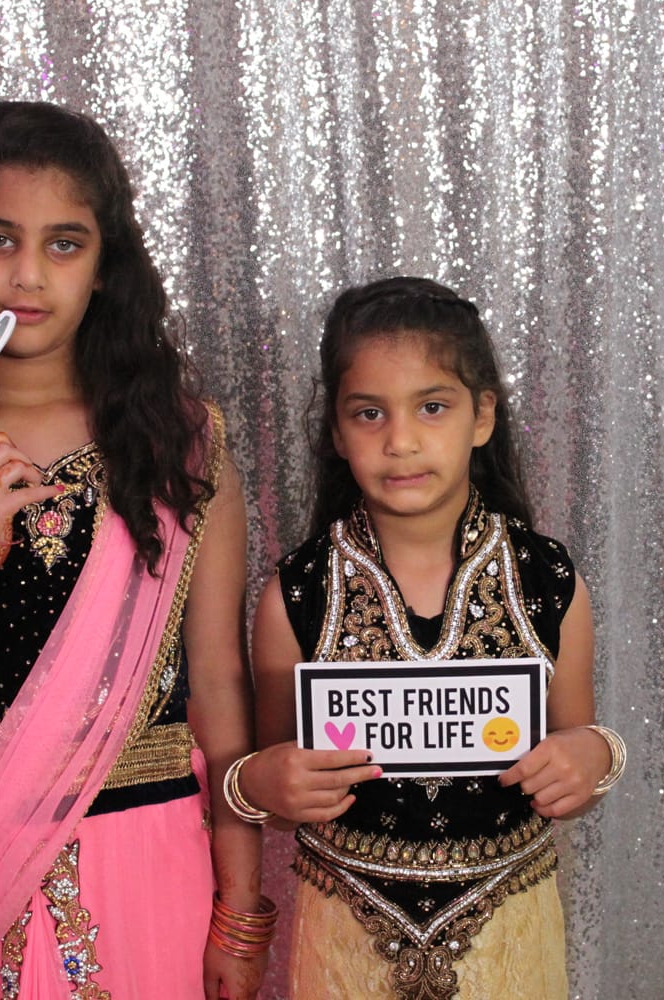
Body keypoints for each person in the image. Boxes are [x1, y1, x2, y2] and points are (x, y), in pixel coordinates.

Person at [0, 102, 269, 999]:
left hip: (150, 857)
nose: (28, 274)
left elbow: (220, 690)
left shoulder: (182, 444)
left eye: (64, 244)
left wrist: (241, 908)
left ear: (105, 267)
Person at [232, 276, 628, 998]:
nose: (401, 441)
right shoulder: (296, 594)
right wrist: (261, 782)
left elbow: (576, 758)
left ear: (483, 416)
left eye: (432, 407)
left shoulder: (546, 580)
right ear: (336, 432)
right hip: (344, 949)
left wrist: (594, 758)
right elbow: (275, 781)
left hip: (509, 945)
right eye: (369, 413)